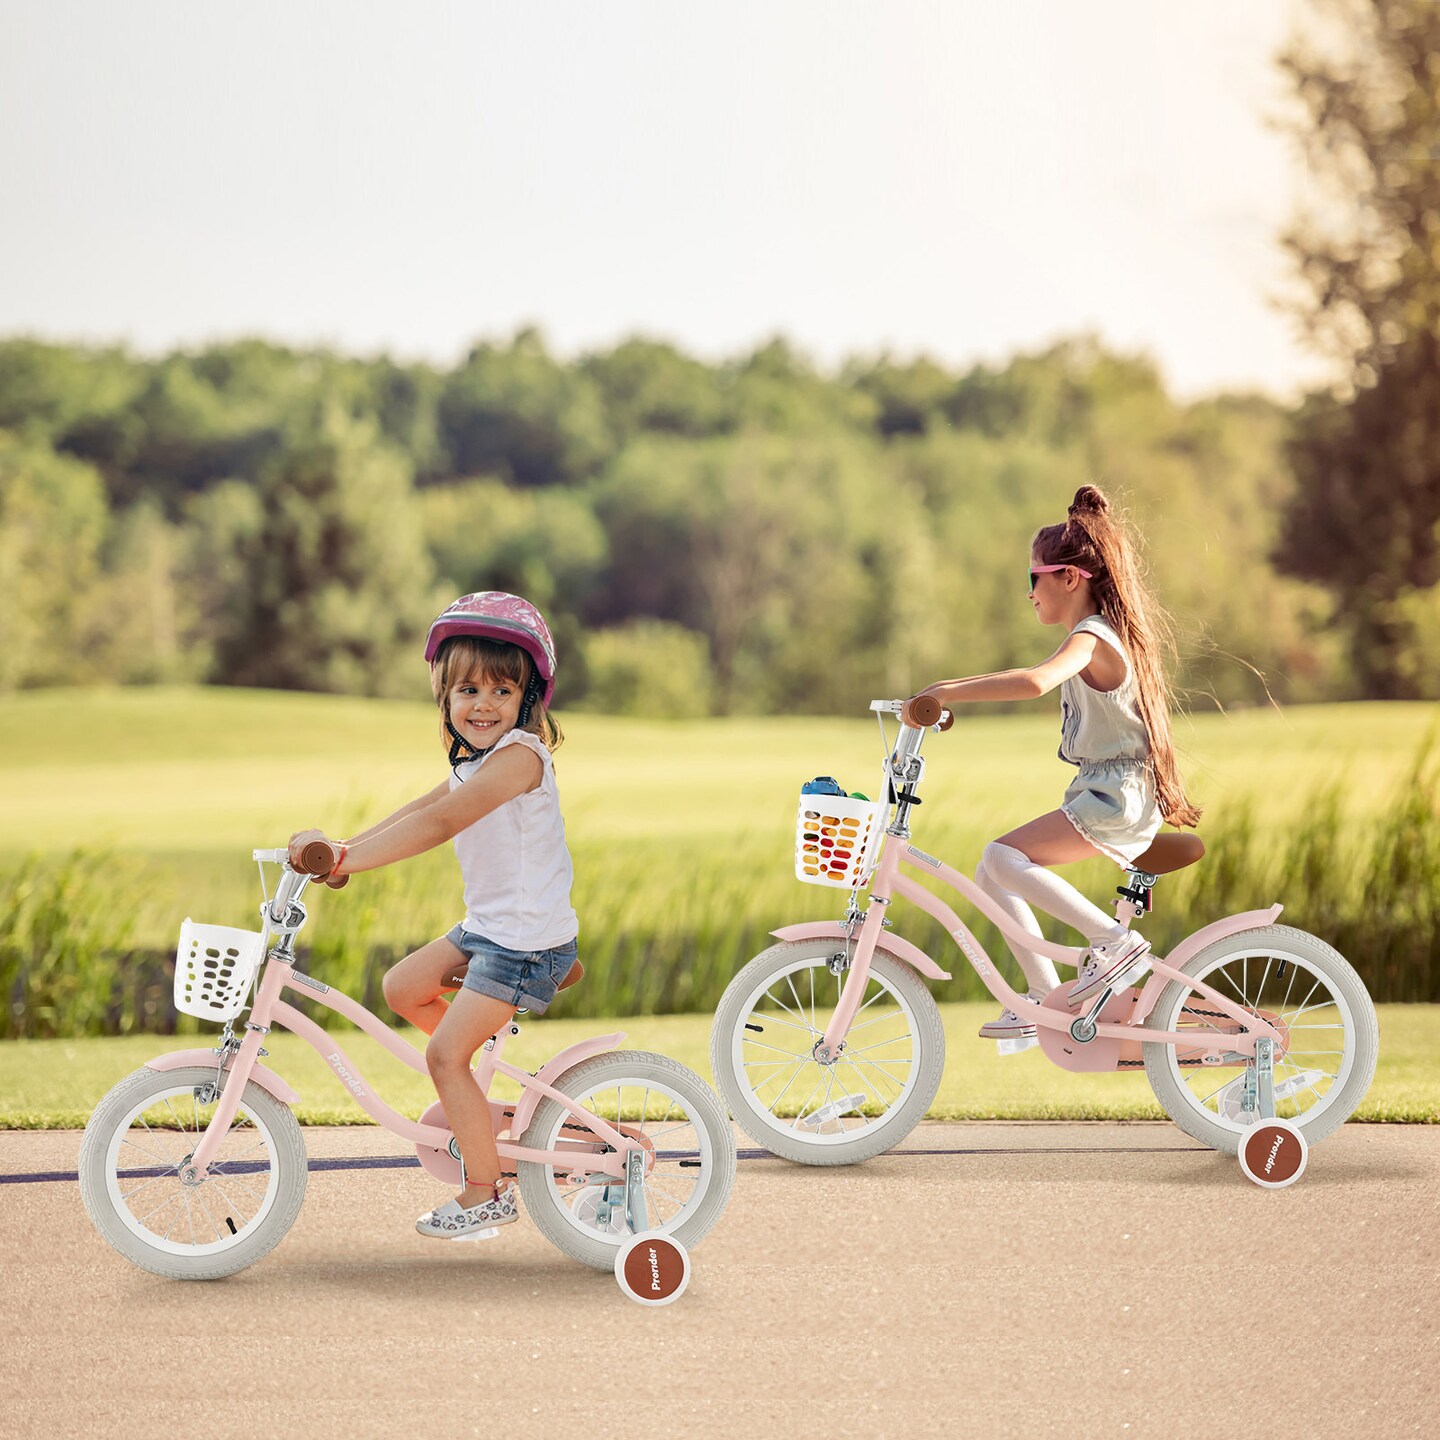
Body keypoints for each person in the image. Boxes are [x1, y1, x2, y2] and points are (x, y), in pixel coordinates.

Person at [288, 592, 579, 1239]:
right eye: (468, 689)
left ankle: (486, 1193)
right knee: (402, 987)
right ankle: (481, 1095)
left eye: (502, 691)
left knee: (443, 1057)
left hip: (524, 945)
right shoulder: (474, 763)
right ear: (444, 697)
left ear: (528, 701)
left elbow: (443, 824)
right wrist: (342, 851)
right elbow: (418, 811)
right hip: (493, 930)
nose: (483, 704)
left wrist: (351, 862)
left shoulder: (520, 759)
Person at [913, 485, 1201, 1039]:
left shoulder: (1092, 637)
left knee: (1000, 856)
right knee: (990, 870)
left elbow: (1035, 681)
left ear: (1068, 577)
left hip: (1117, 796)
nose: (1029, 594)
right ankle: (1043, 998)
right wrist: (945, 701)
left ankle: (1114, 945)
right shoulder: (1097, 636)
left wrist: (944, 690)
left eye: (1033, 578)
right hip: (1106, 791)